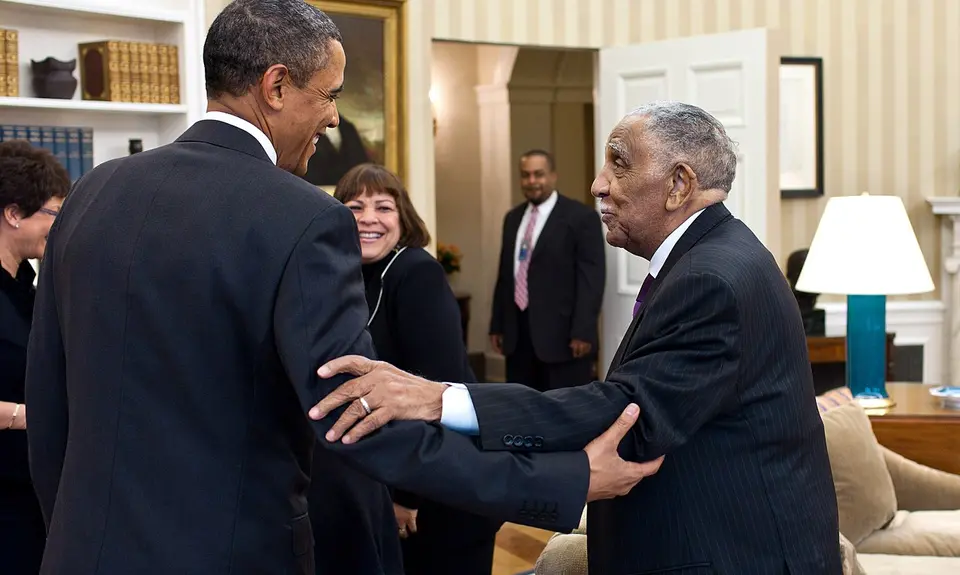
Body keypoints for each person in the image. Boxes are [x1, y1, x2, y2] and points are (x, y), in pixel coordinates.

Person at [24, 2, 661, 574]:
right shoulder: (303, 217)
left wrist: (70, 534)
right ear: (276, 86)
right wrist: (564, 478)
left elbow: (49, 402)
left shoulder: (91, 194)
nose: (333, 117)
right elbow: (357, 417)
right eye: (329, 95)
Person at [310, 102, 843, 574]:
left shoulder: (711, 278)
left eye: (619, 163)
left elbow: (628, 415)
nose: (597, 185)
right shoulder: (716, 255)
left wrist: (437, 398)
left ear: (679, 185)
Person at [312, 162, 500, 575]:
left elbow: (439, 391)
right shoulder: (352, 275)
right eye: (355, 207)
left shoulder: (418, 273)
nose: (368, 219)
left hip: (440, 486)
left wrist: (406, 496)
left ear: (404, 219)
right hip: (396, 472)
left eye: (383, 207)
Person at [0, 140, 70, 575]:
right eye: (54, 213)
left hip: (32, 493)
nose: (60, 226)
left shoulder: (29, 289)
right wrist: (30, 415)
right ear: (13, 213)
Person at [490, 150, 605, 391]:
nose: (532, 181)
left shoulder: (581, 217)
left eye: (538, 174)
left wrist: (583, 331)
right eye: (526, 175)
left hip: (563, 339)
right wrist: (497, 325)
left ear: (553, 176)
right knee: (520, 404)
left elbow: (591, 279)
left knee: (563, 407)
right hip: (517, 337)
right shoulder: (512, 218)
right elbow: (505, 275)